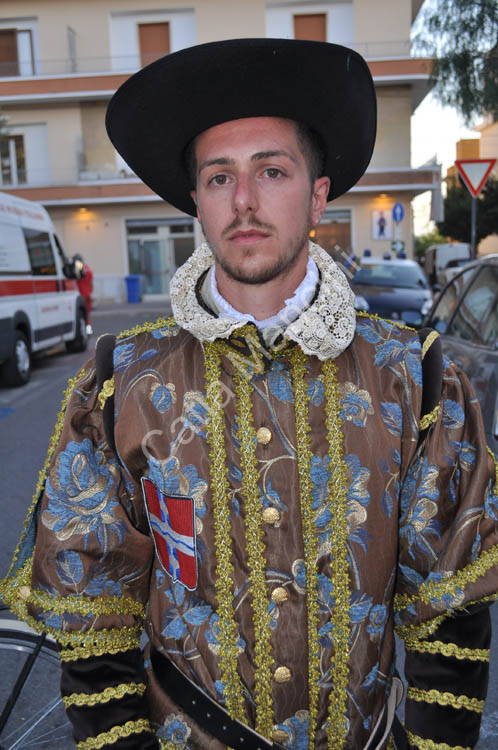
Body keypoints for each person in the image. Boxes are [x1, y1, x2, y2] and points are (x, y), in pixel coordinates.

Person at [1, 38, 497, 750]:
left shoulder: (412, 374)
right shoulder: (121, 379)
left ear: (318, 193)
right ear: (196, 202)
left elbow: (448, 615)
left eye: (272, 170)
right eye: (217, 177)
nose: (244, 202)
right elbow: (93, 613)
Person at [74, 253, 94, 335]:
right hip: (88, 295)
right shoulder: (88, 269)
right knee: (87, 316)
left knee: (82, 316)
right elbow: (91, 284)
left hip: (81, 296)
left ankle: (85, 332)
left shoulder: (79, 269)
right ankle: (89, 331)